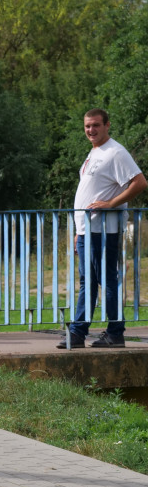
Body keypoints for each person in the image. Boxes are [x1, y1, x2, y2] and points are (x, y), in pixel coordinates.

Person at [58, 108, 146, 349]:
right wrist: (79, 230)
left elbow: (139, 182)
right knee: (88, 281)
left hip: (105, 231)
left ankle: (113, 332)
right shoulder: (95, 151)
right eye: (87, 126)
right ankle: (78, 333)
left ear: (107, 125)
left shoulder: (116, 152)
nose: (91, 130)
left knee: (106, 281)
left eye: (96, 125)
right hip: (88, 229)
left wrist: (110, 204)